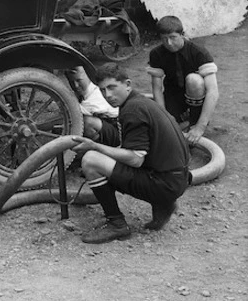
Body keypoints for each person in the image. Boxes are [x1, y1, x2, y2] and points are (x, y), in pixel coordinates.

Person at [71, 63, 190, 244]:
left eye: (112, 87)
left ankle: (117, 223)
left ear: (127, 84)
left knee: (90, 161)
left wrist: (94, 147)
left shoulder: (133, 110)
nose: (107, 95)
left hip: (165, 183)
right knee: (105, 160)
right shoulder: (140, 102)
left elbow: (135, 159)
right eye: (102, 90)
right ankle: (163, 204)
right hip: (176, 178)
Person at [147, 16, 219, 145]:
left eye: (173, 37)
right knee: (164, 127)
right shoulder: (156, 54)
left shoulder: (199, 52)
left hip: (196, 94)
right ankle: (183, 119)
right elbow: (157, 88)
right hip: (173, 94)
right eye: (164, 39)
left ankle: (195, 121)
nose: (168, 43)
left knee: (193, 80)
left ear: (182, 34)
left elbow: (213, 92)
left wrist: (200, 127)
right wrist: (164, 118)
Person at [66, 65, 120, 145]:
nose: (75, 85)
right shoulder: (82, 94)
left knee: (87, 122)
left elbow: (74, 111)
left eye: (79, 80)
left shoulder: (96, 93)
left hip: (118, 130)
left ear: (89, 76)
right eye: (71, 81)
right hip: (104, 124)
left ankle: (98, 149)